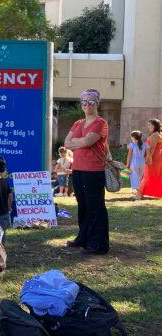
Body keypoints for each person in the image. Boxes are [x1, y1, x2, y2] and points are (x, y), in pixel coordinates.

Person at [64, 89, 109, 255]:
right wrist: (80, 142)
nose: (87, 105)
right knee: (82, 205)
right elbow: (67, 143)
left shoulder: (100, 123)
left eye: (91, 102)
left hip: (94, 170)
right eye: (84, 102)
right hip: (78, 169)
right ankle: (83, 237)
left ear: (97, 104)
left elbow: (88, 141)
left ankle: (98, 244)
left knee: (95, 206)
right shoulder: (77, 123)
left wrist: (78, 142)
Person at [136, 119, 162, 199]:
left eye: (150, 125)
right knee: (153, 175)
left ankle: (139, 195)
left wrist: (148, 158)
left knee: (147, 175)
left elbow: (152, 148)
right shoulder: (157, 134)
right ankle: (141, 193)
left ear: (155, 126)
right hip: (156, 157)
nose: (148, 127)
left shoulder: (155, 135)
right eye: (148, 125)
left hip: (154, 157)